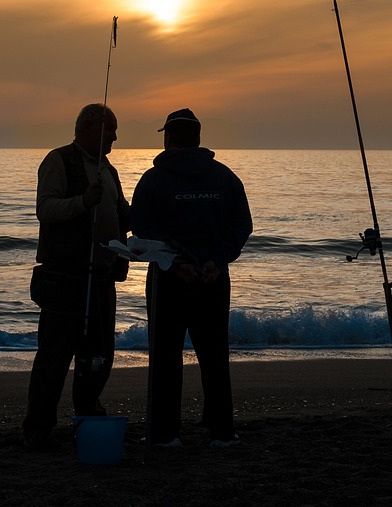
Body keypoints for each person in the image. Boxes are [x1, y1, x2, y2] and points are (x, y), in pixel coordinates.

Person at [130, 108, 252, 448]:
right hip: (213, 279)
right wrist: (217, 258)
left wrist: (175, 261)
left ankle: (165, 434)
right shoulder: (225, 177)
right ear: (197, 139)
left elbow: (140, 225)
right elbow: (241, 224)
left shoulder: (153, 180)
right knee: (214, 355)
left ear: (168, 138)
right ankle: (222, 432)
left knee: (166, 355)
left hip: (169, 279)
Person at [22, 103, 130, 449]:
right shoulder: (59, 160)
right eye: (109, 128)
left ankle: (88, 410)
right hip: (66, 276)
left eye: (114, 128)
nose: (114, 134)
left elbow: (121, 213)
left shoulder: (109, 169)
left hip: (101, 275)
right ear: (86, 128)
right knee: (55, 354)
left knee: (98, 353)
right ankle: (39, 425)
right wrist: (83, 201)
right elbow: (45, 209)